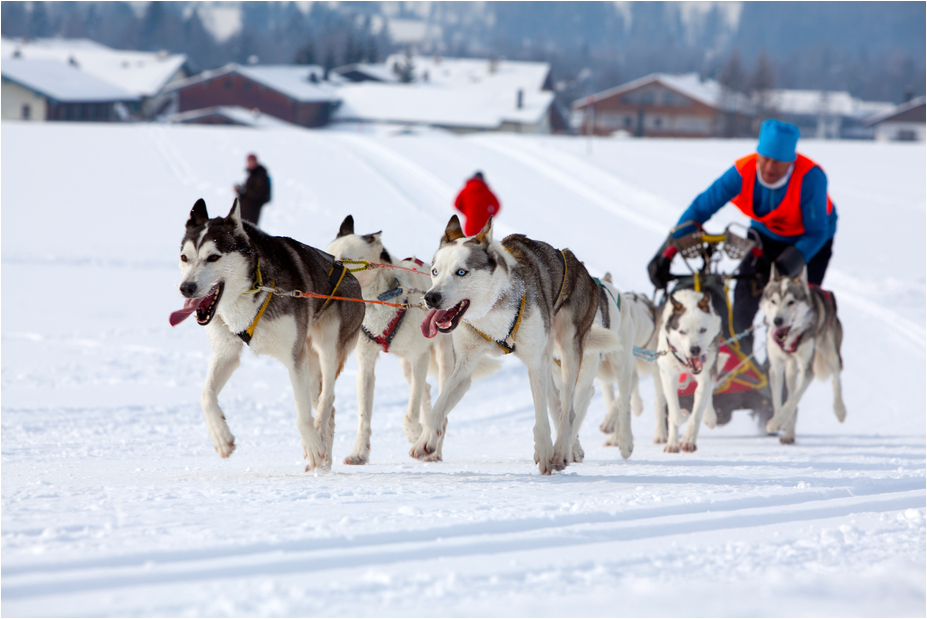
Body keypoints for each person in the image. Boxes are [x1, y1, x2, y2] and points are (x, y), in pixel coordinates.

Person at [648, 119, 838, 356]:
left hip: (810, 244)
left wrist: (786, 266)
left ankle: (779, 379)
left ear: (791, 161)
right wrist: (666, 253)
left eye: (778, 162)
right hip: (764, 237)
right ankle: (743, 367)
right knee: (742, 304)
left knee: (795, 313)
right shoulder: (742, 171)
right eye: (764, 158)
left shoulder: (810, 178)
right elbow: (699, 210)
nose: (769, 167)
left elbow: (817, 232)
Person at [453, 171, 501, 236]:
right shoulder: (487, 192)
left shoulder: (466, 190)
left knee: (469, 240)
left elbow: (456, 204)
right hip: (483, 223)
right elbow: (497, 205)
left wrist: (467, 213)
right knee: (481, 242)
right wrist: (489, 216)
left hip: (470, 222)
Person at [233, 153, 271, 226]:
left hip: (252, 209)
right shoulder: (253, 175)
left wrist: (243, 191)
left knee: (248, 230)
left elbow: (258, 193)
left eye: (252, 161)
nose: (250, 163)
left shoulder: (260, 175)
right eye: (249, 161)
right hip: (245, 210)